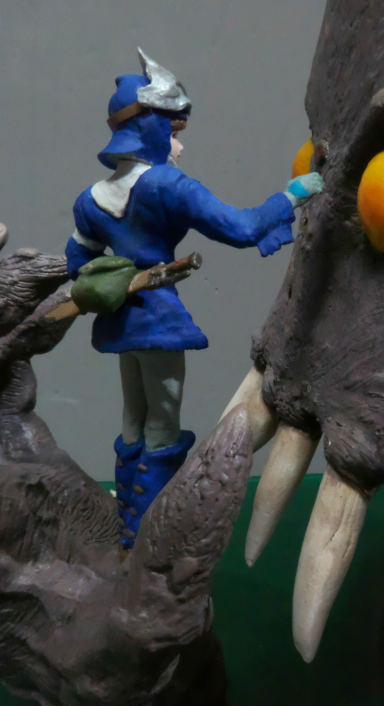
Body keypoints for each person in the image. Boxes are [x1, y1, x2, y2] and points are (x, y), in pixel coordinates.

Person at [65, 48, 323, 549]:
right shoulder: (167, 184)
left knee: (133, 419)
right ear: (153, 129)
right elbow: (241, 228)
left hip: (120, 323)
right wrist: (291, 196)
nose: (179, 145)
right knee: (161, 424)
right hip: (158, 321)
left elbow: (78, 261)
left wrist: (110, 279)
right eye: (173, 132)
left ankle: (128, 526)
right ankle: (144, 535)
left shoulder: (89, 199)